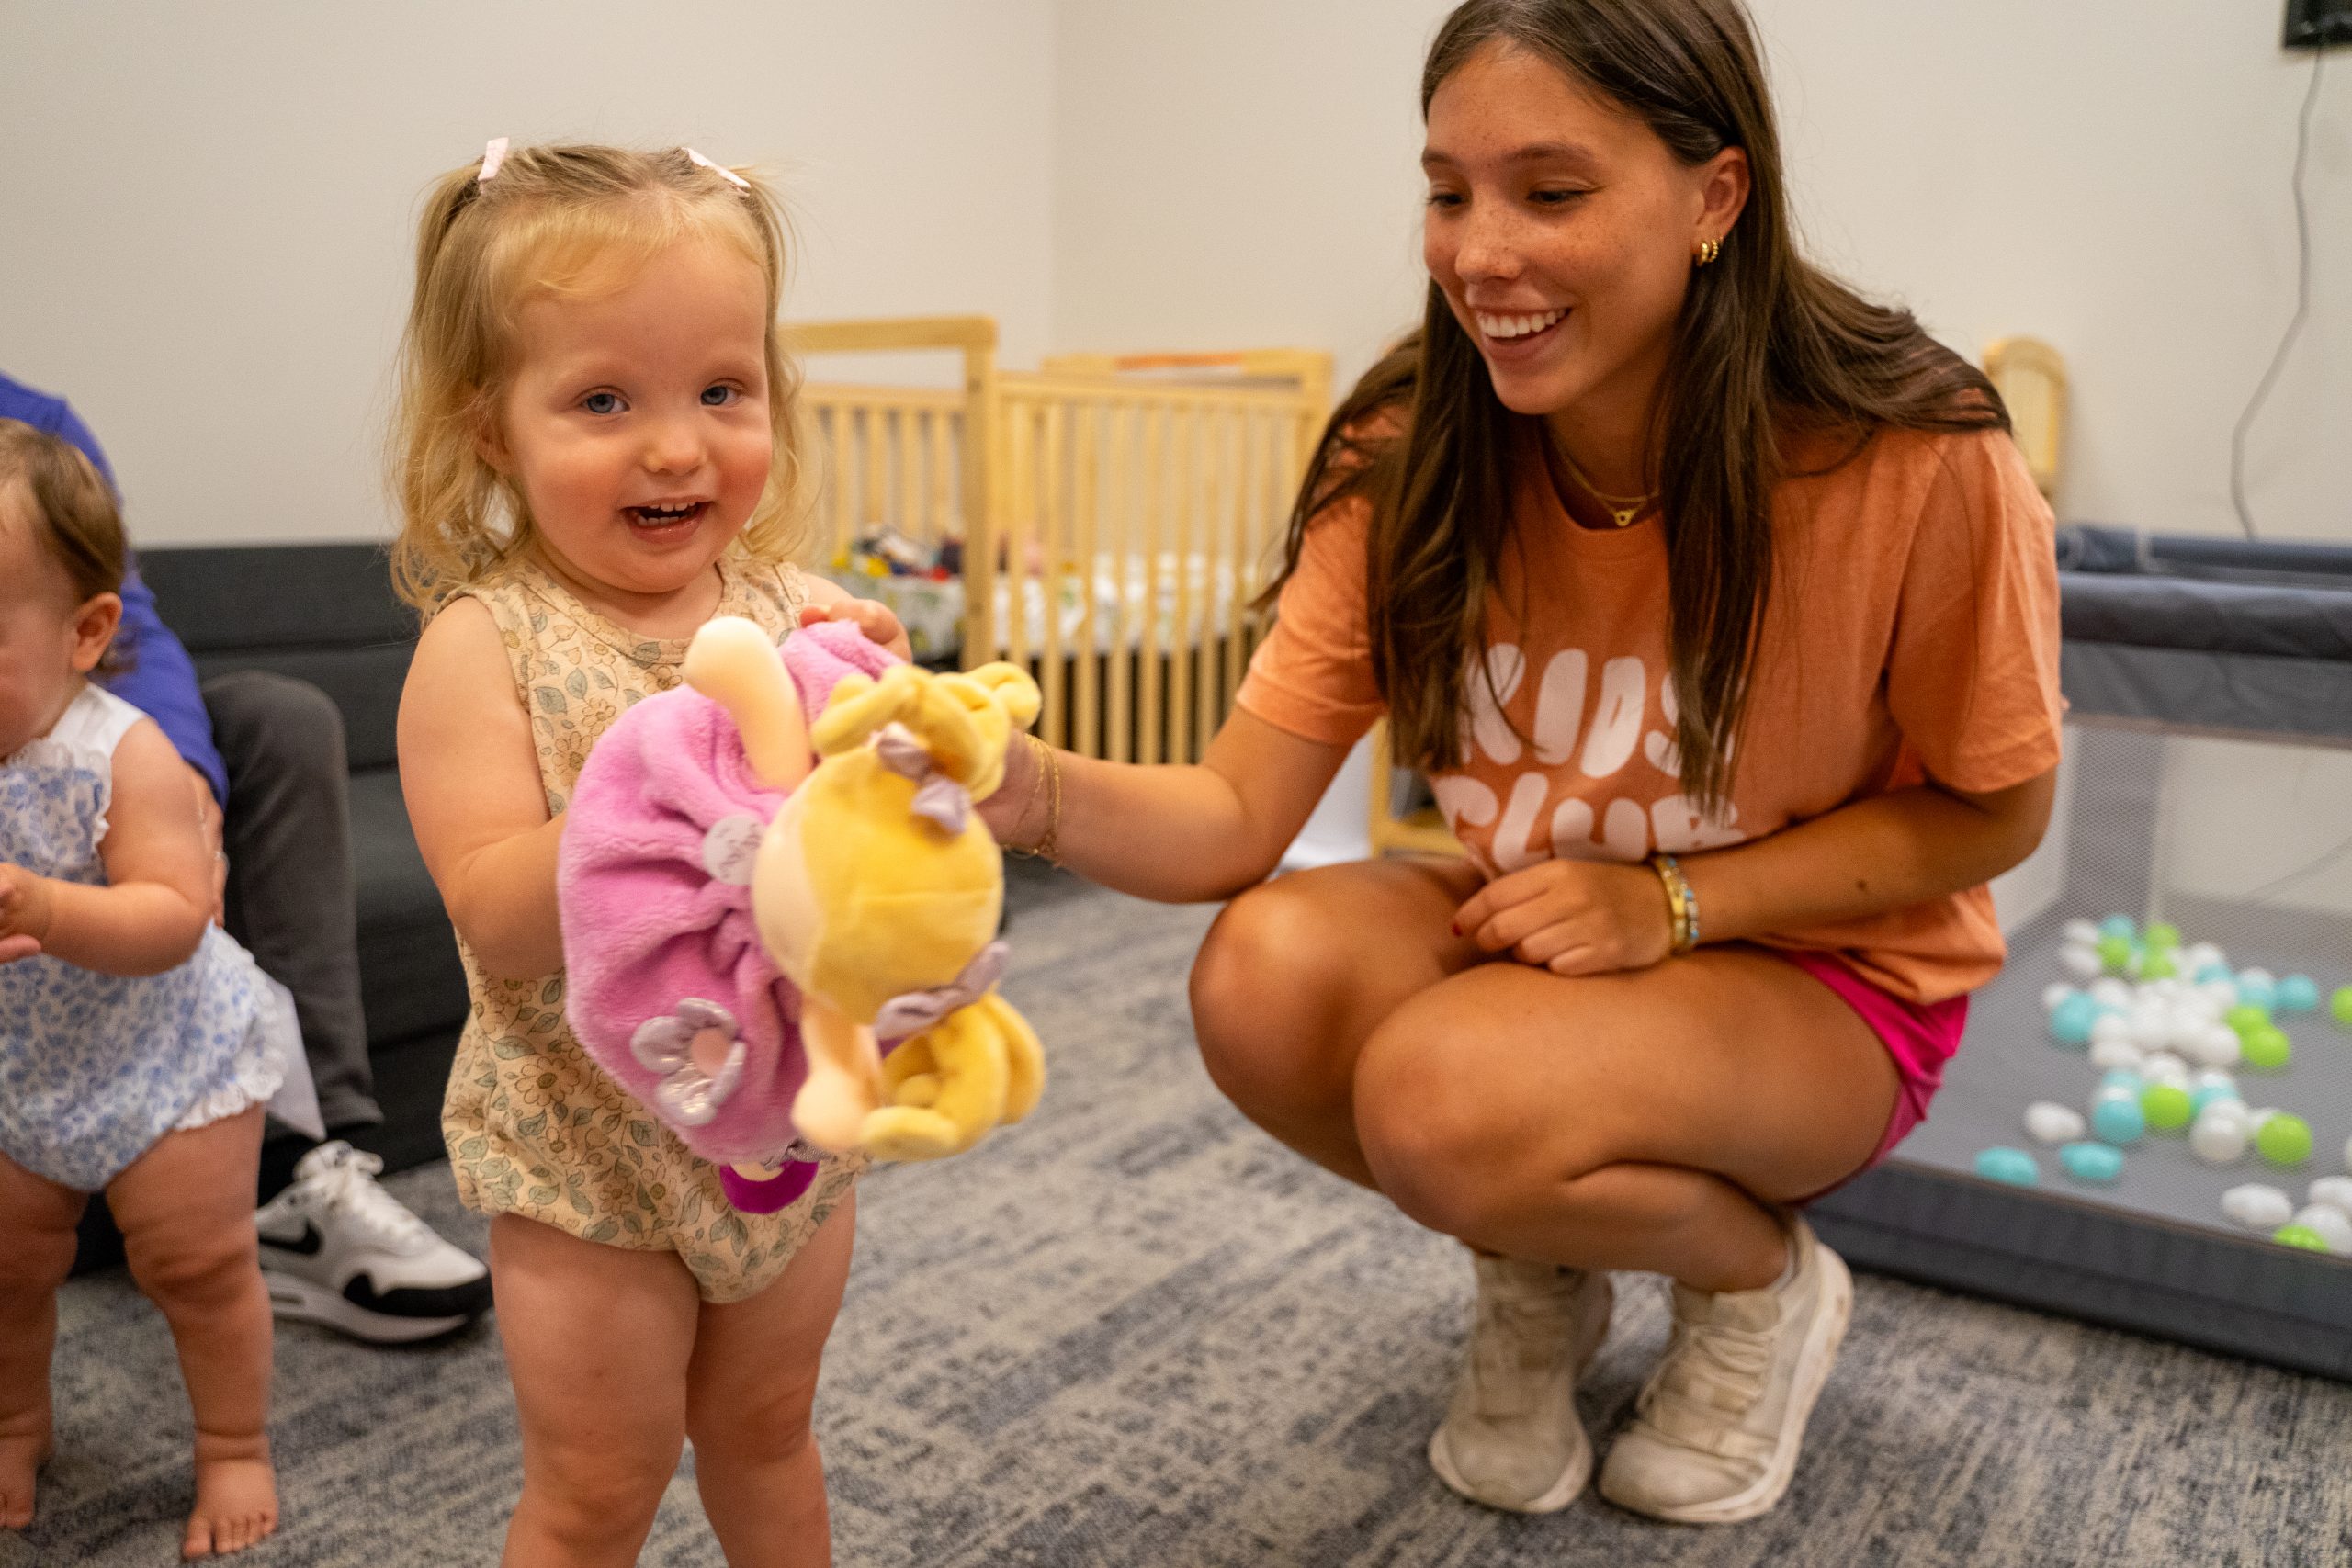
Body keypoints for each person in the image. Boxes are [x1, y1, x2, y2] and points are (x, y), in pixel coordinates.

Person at [978, 0, 2062, 1527]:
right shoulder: (1409, 450)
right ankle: (1539, 1253)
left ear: (1714, 199)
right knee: (1261, 979)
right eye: (1447, 190)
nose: (1480, 252)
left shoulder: (1915, 454)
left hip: (1830, 978)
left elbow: (2000, 805)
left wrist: (1674, 902)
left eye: (1550, 193)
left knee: (1439, 1096)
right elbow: (1231, 816)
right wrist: (1016, 786)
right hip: (1543, 941)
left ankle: (1756, 1280)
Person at [393, 141, 904, 1567]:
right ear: (492, 424)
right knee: (597, 1488)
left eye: (720, 392)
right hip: (584, 1156)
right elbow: (498, 915)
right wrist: (678, 782)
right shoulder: (481, 646)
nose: (676, 444)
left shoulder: (801, 612)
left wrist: (895, 733)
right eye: (604, 399)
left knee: (771, 1430)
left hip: (784, 1130)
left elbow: (887, 832)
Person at [0, 369, 492, 1346]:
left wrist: (181, 774)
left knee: (279, 716)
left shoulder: (34, 425)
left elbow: (126, 623)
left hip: (82, 743)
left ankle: (309, 1167)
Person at [0, 421, 301, 1556]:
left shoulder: (121, 756)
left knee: (195, 1265)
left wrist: (45, 908)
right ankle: (18, 1420)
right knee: (9, 1268)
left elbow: (176, 918)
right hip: (21, 1072)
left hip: (168, 1060)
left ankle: (232, 1443)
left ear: (83, 633)